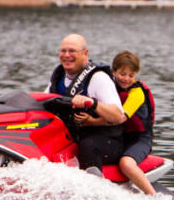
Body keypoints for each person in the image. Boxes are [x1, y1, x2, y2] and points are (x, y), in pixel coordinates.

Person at [46, 34, 125, 171]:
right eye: (63, 51)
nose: (66, 55)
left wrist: (92, 103)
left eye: (72, 51)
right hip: (73, 138)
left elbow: (118, 116)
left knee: (88, 145)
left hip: (108, 141)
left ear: (85, 53)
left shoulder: (98, 78)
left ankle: (94, 188)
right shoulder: (58, 79)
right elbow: (42, 101)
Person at [111, 51, 157, 196]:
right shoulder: (109, 88)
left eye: (131, 75)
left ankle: (153, 197)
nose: (126, 79)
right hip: (119, 138)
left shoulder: (137, 92)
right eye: (122, 74)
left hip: (140, 139)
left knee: (126, 163)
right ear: (114, 71)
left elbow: (120, 118)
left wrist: (92, 121)